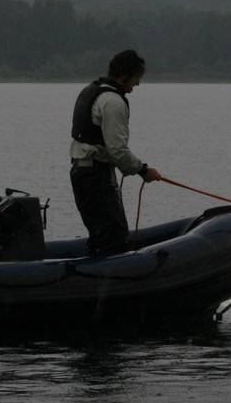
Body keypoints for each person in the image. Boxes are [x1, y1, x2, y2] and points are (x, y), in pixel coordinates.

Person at [69, 49, 162, 255]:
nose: (137, 83)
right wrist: (143, 171)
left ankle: (94, 271)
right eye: (137, 77)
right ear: (125, 74)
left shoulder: (91, 90)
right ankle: (111, 280)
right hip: (95, 177)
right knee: (114, 234)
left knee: (100, 233)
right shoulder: (113, 102)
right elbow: (118, 151)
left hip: (81, 173)